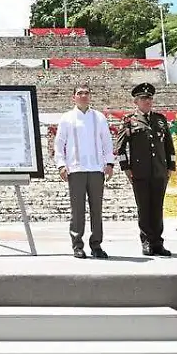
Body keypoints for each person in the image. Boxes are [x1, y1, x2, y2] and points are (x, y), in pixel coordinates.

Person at [54, 83, 115, 259]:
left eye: (86, 93)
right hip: (76, 169)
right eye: (80, 93)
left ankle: (96, 245)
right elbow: (59, 144)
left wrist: (109, 163)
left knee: (97, 209)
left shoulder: (99, 117)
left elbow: (106, 142)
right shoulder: (66, 118)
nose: (83, 96)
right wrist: (61, 164)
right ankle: (77, 244)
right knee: (77, 210)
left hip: (96, 169)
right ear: (73, 97)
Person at [115, 82, 176, 256]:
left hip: (159, 171)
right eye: (143, 98)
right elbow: (120, 147)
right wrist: (125, 167)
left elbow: (168, 146)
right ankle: (147, 241)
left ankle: (158, 242)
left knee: (158, 207)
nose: (147, 101)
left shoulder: (160, 119)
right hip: (139, 171)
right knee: (144, 208)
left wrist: (170, 166)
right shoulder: (129, 120)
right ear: (136, 101)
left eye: (149, 98)